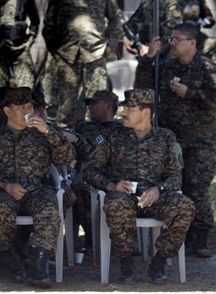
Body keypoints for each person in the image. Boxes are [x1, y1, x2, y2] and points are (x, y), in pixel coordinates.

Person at [83, 89, 195, 284]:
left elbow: (176, 177)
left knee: (186, 207)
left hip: (155, 199)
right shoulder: (113, 135)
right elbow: (89, 170)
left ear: (146, 112)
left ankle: (159, 262)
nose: (123, 112)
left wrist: (158, 189)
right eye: (123, 108)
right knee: (115, 205)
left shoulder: (166, 137)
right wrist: (111, 185)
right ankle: (126, 262)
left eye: (129, 109)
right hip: (124, 197)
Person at [0, 87, 73, 287]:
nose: (27, 111)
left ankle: (39, 264)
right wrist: (5, 185)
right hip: (5, 190)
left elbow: (67, 158)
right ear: (7, 111)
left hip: (37, 189)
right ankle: (14, 261)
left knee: (49, 209)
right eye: (21, 107)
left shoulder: (43, 132)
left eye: (30, 106)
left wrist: (49, 132)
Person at [135, 23, 216, 258]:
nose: (172, 43)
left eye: (177, 39)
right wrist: (149, 57)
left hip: (201, 139)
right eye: (171, 39)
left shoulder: (206, 66)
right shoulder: (167, 65)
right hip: (171, 139)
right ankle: (178, 233)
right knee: (172, 185)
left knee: (196, 186)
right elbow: (143, 86)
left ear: (192, 42)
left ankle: (200, 238)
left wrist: (189, 93)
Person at [42, 0, 122, 128]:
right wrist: (55, 51)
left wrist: (110, 46)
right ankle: (65, 140)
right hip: (66, 56)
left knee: (98, 101)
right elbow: (48, 25)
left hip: (95, 54)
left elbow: (116, 20)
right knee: (66, 103)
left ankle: (97, 139)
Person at [71, 90, 121, 250]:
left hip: (115, 178)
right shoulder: (83, 128)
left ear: (108, 105)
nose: (89, 107)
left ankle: (121, 238)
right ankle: (91, 234)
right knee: (76, 185)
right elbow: (68, 151)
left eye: (94, 103)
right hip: (88, 176)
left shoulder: (122, 128)